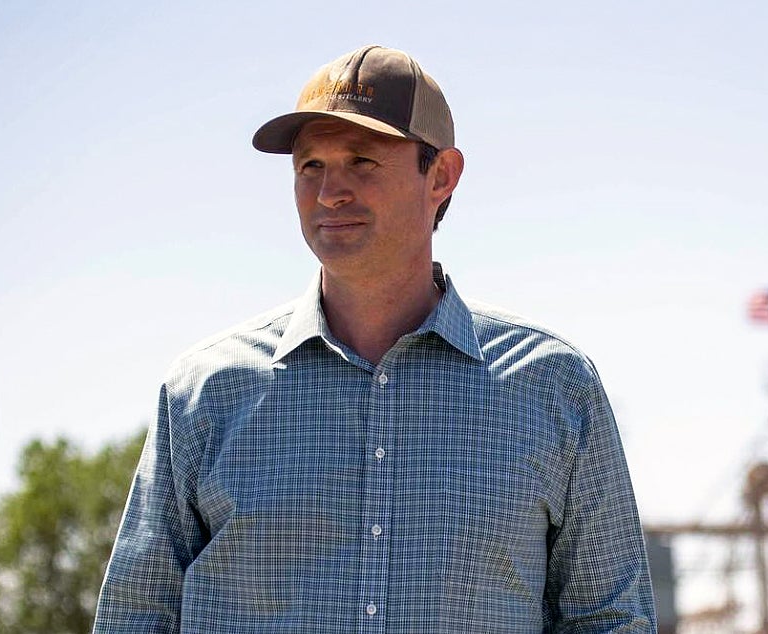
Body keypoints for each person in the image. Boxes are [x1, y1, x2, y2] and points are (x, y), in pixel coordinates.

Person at [93, 44, 655, 633]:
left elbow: (610, 618)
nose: (330, 191)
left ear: (441, 175)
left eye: (362, 160)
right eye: (311, 166)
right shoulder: (205, 394)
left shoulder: (552, 387)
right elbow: (137, 615)